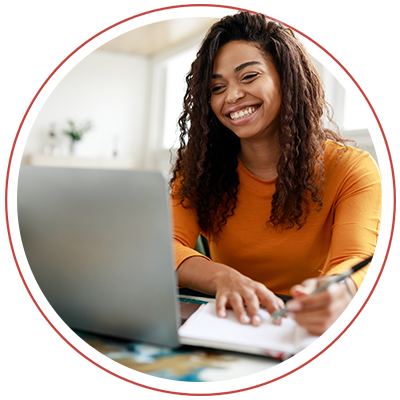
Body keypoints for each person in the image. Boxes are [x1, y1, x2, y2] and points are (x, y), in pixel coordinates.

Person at [169, 11, 382, 336]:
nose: (232, 96)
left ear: (287, 77)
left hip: (303, 331)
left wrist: (340, 293)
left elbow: (357, 260)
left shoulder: (351, 169)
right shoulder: (199, 168)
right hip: (225, 326)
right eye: (217, 87)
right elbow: (166, 245)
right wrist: (222, 277)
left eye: (249, 76)